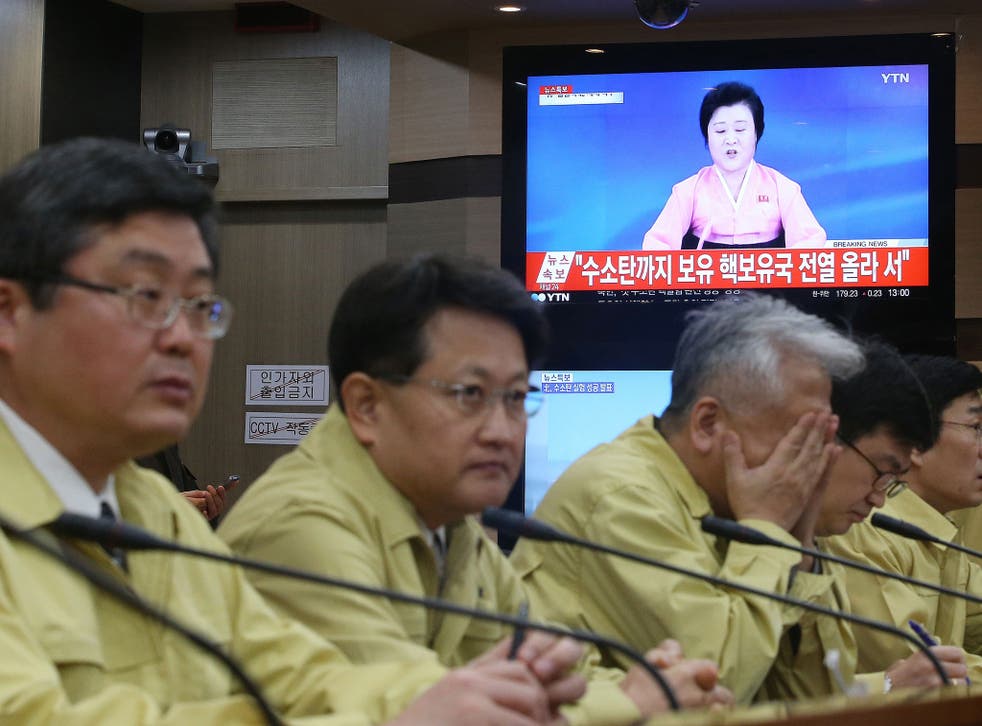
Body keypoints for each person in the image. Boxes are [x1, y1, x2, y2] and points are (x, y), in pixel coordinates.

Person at [0, 137, 586, 725]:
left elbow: (299, 674)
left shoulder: (152, 508)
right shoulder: (287, 519)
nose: (184, 338)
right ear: (11, 312)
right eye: (146, 296)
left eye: (201, 304)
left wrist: (469, 697)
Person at [219, 254, 733, 725]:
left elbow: (533, 673)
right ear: (366, 406)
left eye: (515, 397)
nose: (502, 430)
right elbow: (427, 708)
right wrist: (633, 700)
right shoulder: (302, 525)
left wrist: (657, 687)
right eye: (470, 394)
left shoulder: (448, 516)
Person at [509, 293, 859, 703]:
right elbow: (719, 684)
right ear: (707, 423)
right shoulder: (622, 495)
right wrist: (766, 534)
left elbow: (819, 698)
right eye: (798, 437)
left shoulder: (732, 503)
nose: (809, 462)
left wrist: (799, 546)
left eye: (820, 440)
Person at [761, 341, 966, 699]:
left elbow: (809, 692)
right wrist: (886, 687)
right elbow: (716, 691)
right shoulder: (650, 502)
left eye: (889, 481)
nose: (879, 497)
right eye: (880, 472)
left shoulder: (816, 534)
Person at [825, 355, 982, 683]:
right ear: (918, 444)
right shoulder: (862, 527)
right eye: (976, 428)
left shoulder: (938, 530)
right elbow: (922, 669)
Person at [642, 82, 826, 251]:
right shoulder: (687, 191)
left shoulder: (783, 188)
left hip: (768, 284)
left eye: (740, 129)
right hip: (706, 283)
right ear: (707, 135)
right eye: (720, 131)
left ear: (756, 133)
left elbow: (810, 241)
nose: (730, 139)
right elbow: (657, 245)